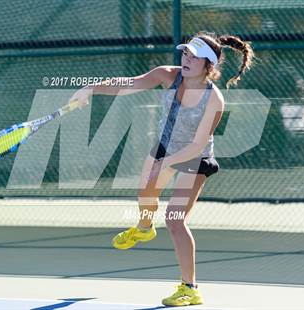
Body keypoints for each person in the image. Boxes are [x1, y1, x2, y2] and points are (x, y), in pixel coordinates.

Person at [69, 31, 254, 307]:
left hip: (194, 158)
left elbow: (197, 144)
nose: (187, 59)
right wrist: (90, 89)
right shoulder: (167, 74)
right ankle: (144, 228)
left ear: (209, 65)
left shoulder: (214, 100)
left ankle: (190, 288)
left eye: (196, 57)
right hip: (165, 146)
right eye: (186, 53)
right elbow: (129, 83)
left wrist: (165, 164)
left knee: (175, 219)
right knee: (145, 194)